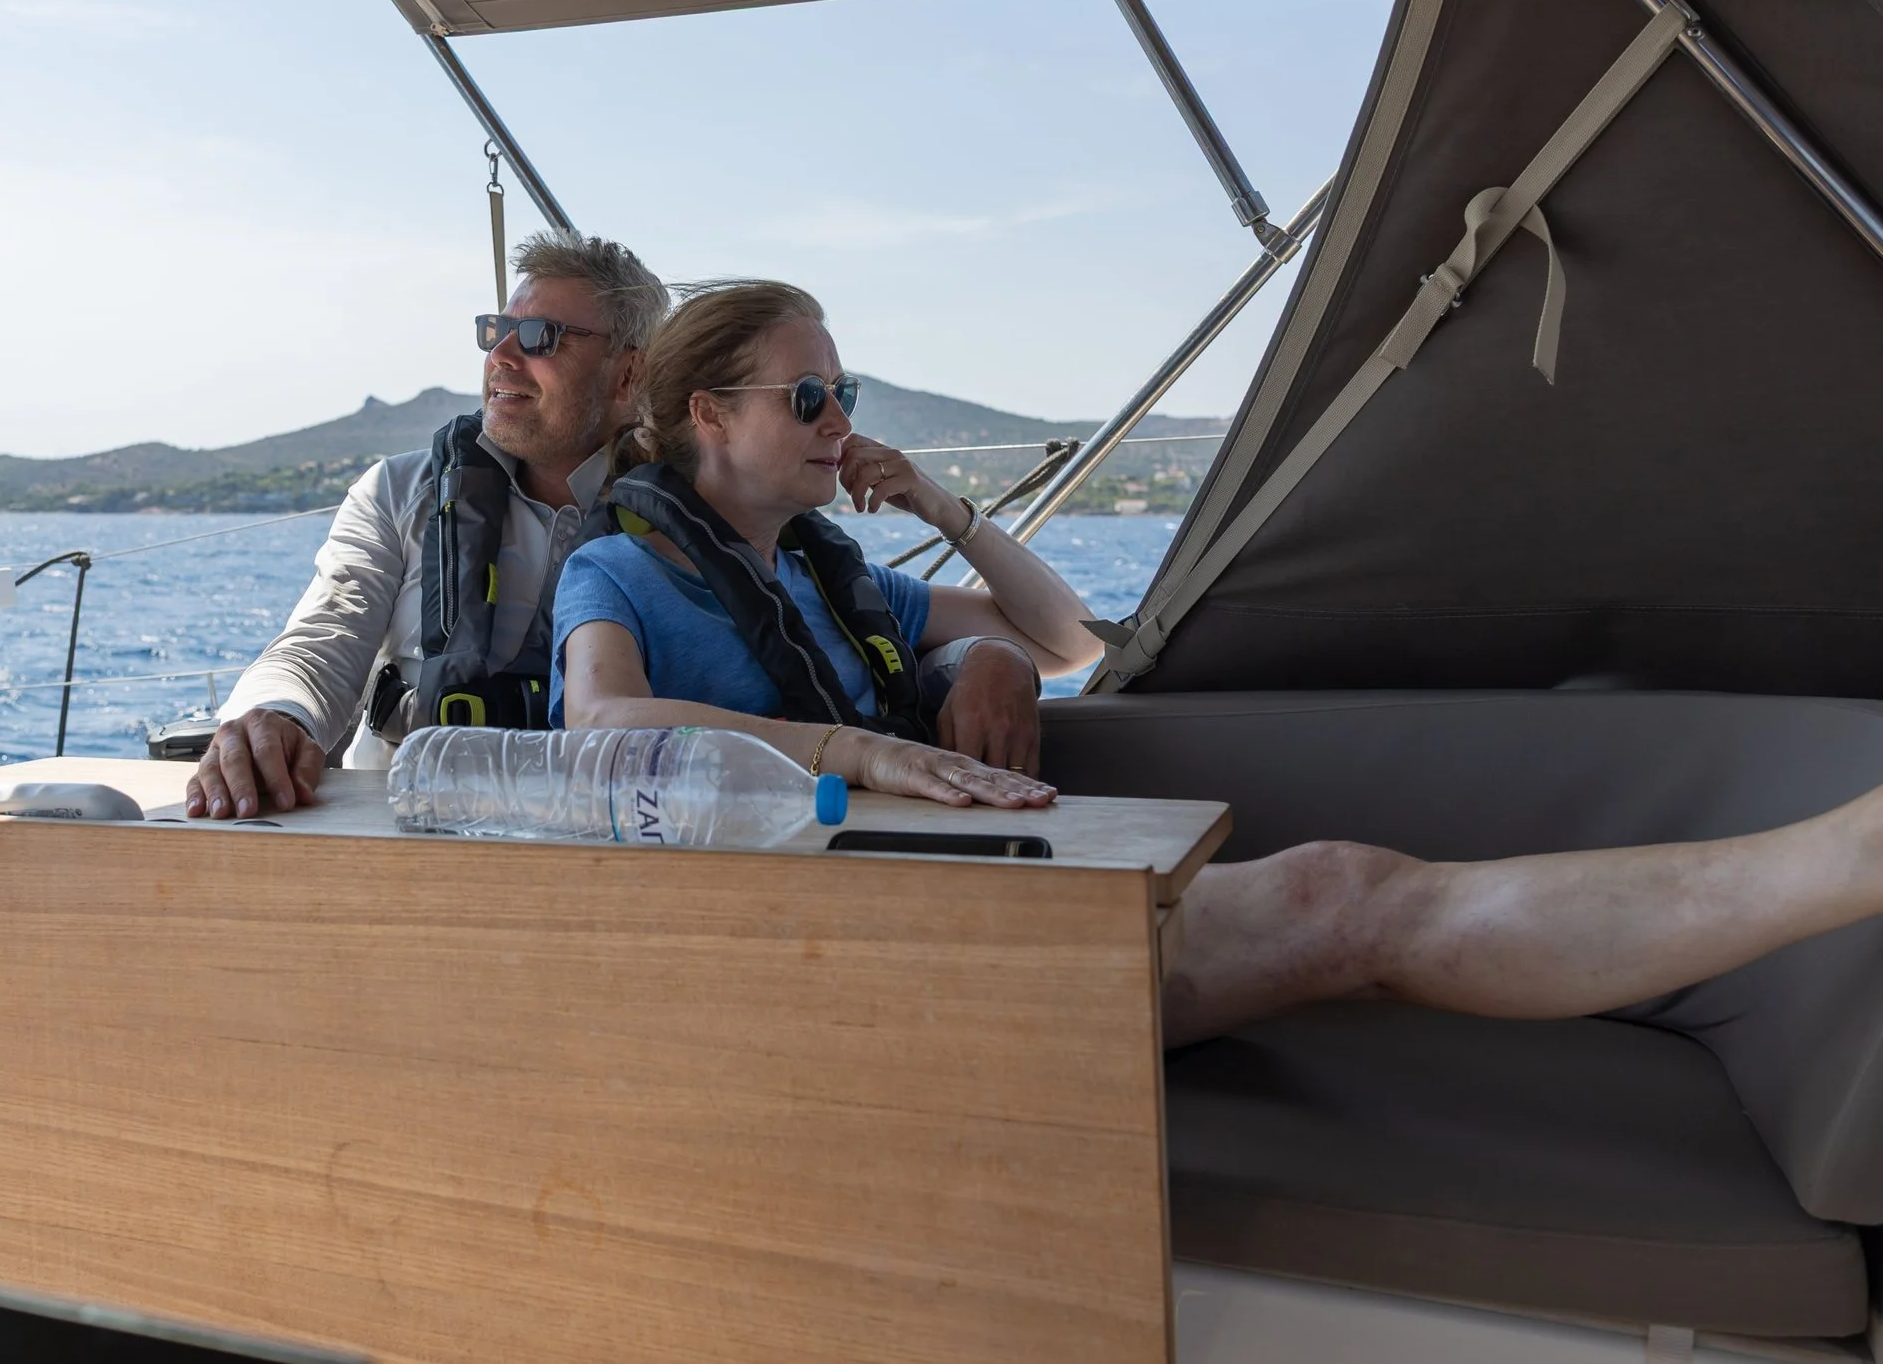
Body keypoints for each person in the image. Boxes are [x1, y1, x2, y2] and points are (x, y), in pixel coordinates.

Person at [555, 278, 1883, 1046]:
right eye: (810, 398)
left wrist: (945, 512)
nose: (840, 421)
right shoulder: (616, 575)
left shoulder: (828, 584)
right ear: (706, 414)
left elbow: (1069, 638)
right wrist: (852, 747)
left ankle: (1833, 862)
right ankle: (1835, 863)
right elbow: (599, 728)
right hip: (817, 970)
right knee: (1344, 898)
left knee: (1346, 889)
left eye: (847, 394)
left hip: (933, 913)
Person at [186, 238, 1043, 818]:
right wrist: (274, 715)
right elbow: (323, 638)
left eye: (540, 337)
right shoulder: (401, 494)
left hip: (627, 847)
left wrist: (980, 659)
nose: (501, 357)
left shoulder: (710, 510)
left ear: (629, 377)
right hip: (421, 831)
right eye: (497, 333)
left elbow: (821, 625)